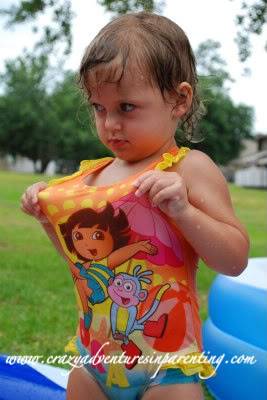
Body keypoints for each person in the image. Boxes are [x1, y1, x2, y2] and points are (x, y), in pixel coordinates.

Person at [20, 11, 250, 400]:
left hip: (166, 366)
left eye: (126, 107)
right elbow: (86, 264)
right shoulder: (93, 176)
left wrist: (184, 211)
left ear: (179, 100)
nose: (109, 123)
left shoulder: (189, 169)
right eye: (98, 107)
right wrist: (48, 220)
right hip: (94, 359)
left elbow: (234, 260)